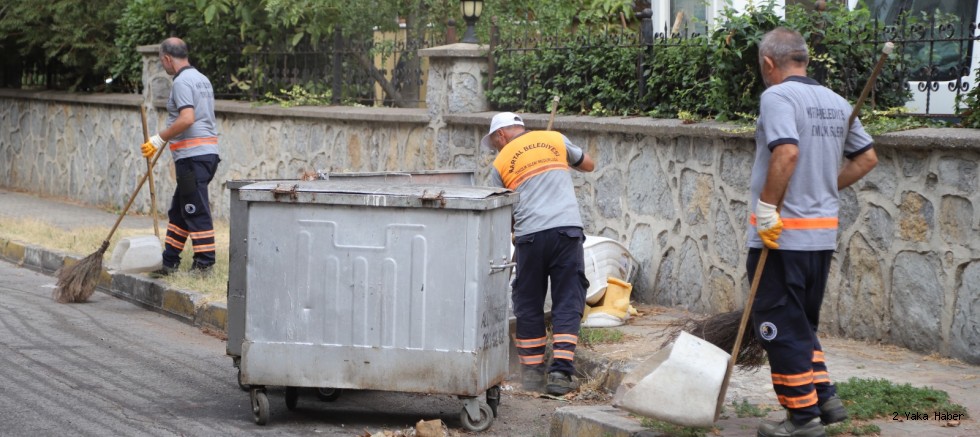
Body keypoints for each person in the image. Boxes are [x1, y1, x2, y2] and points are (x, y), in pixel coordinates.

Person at [748, 27, 877, 437]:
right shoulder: (836, 102)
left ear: (769, 63)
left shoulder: (778, 96)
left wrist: (768, 209)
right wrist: (822, 185)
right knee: (800, 322)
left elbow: (786, 151)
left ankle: (802, 419)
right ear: (804, 58)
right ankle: (825, 396)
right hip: (821, 238)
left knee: (776, 325)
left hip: (781, 237)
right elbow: (866, 158)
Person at [482, 111, 595, 396]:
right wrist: (558, 156)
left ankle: (531, 375)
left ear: (501, 135)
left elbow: (498, 211)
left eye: (494, 142)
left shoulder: (500, 163)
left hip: (530, 236)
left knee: (529, 300)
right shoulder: (554, 139)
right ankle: (560, 373)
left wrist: (513, 231)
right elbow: (588, 165)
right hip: (566, 231)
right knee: (568, 297)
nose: (495, 147)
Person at [140, 37, 221, 276]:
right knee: (180, 210)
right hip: (205, 155)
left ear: (167, 58)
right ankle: (169, 261)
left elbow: (187, 118)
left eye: (161, 60)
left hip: (192, 158)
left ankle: (204, 264)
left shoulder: (182, 82)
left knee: (195, 209)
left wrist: (158, 138)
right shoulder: (202, 79)